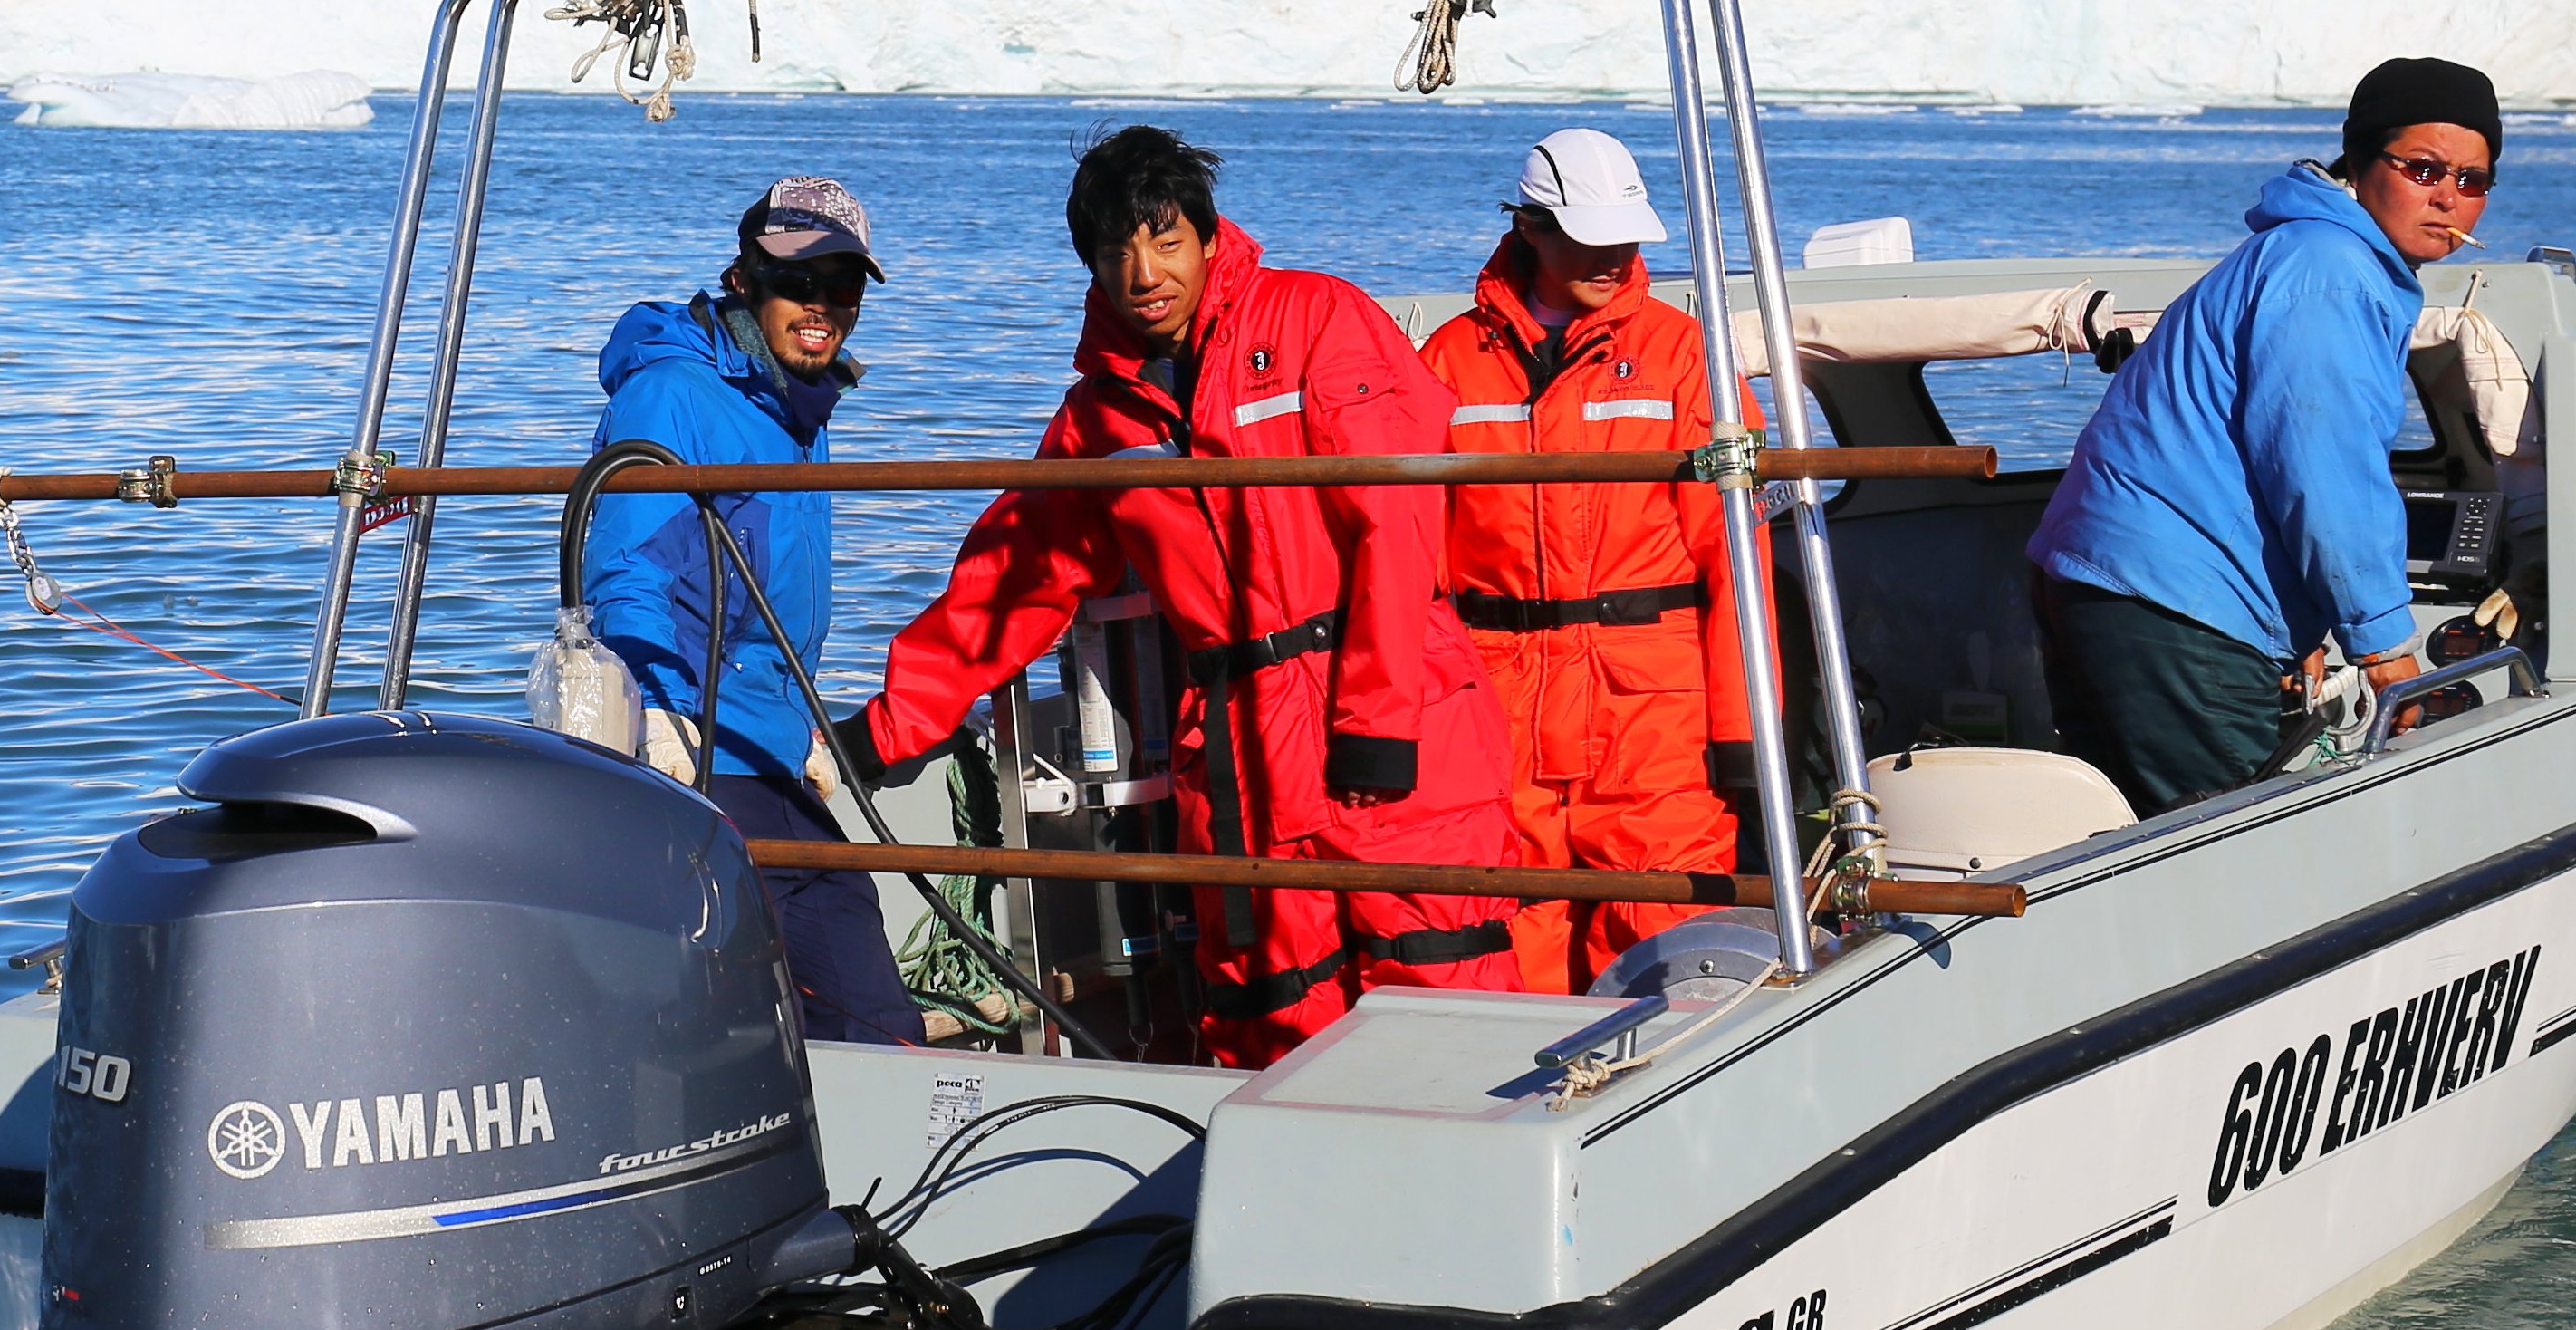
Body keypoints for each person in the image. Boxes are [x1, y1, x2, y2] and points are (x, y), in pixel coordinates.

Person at [833, 126, 1521, 1067]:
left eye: (1162, 240)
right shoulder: (1101, 415)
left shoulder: (1317, 318)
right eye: (1115, 250)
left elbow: (1396, 525)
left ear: (1205, 237)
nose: (1142, 270)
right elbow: (1014, 576)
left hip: (1391, 716)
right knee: (1279, 1021)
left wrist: (1378, 718)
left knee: (1443, 991)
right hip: (1243, 742)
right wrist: (891, 723)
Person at [2025, 56, 2499, 814]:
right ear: (2364, 159)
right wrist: (2382, 648)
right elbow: (2323, 471)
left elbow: (2263, 456)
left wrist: (2304, 624)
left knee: (2122, 841)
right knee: (2220, 854)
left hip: (2116, 588)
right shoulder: (2331, 271)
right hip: (2179, 606)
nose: (2447, 195)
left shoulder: (2311, 254)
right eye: (2422, 168)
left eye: (2472, 180)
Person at [1422, 129, 1766, 994]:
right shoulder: (1450, 363)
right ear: (1531, 227)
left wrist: (1745, 729)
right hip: (1498, 706)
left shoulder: (1686, 356)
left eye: (1625, 237)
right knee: (1510, 927)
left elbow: (1735, 561)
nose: (1613, 256)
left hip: (1652, 717)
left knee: (1669, 938)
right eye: (1588, 235)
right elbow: (1416, 560)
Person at [585, 176, 923, 1046]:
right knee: (831, 1008)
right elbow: (627, 566)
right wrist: (660, 720)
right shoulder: (673, 395)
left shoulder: (796, 403)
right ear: (744, 279)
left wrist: (802, 727)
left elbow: (769, 596)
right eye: (796, 282)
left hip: (769, 749)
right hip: (702, 754)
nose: (820, 306)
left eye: (840, 286)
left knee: (860, 982)